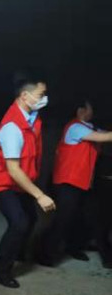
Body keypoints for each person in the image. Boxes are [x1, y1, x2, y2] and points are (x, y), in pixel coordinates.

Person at [0, 69, 55, 288]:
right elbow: (13, 170)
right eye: (41, 95)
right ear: (25, 96)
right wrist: (40, 195)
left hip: (19, 181)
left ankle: (16, 252)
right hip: (0, 181)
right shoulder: (12, 127)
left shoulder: (32, 118)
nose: (44, 99)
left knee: (29, 219)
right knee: (19, 222)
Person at [39, 101, 112, 265]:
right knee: (63, 220)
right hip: (67, 183)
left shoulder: (89, 127)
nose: (93, 111)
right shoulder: (75, 127)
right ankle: (44, 255)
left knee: (85, 217)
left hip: (83, 183)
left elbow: (104, 134)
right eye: (90, 108)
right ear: (81, 110)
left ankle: (73, 247)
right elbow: (104, 137)